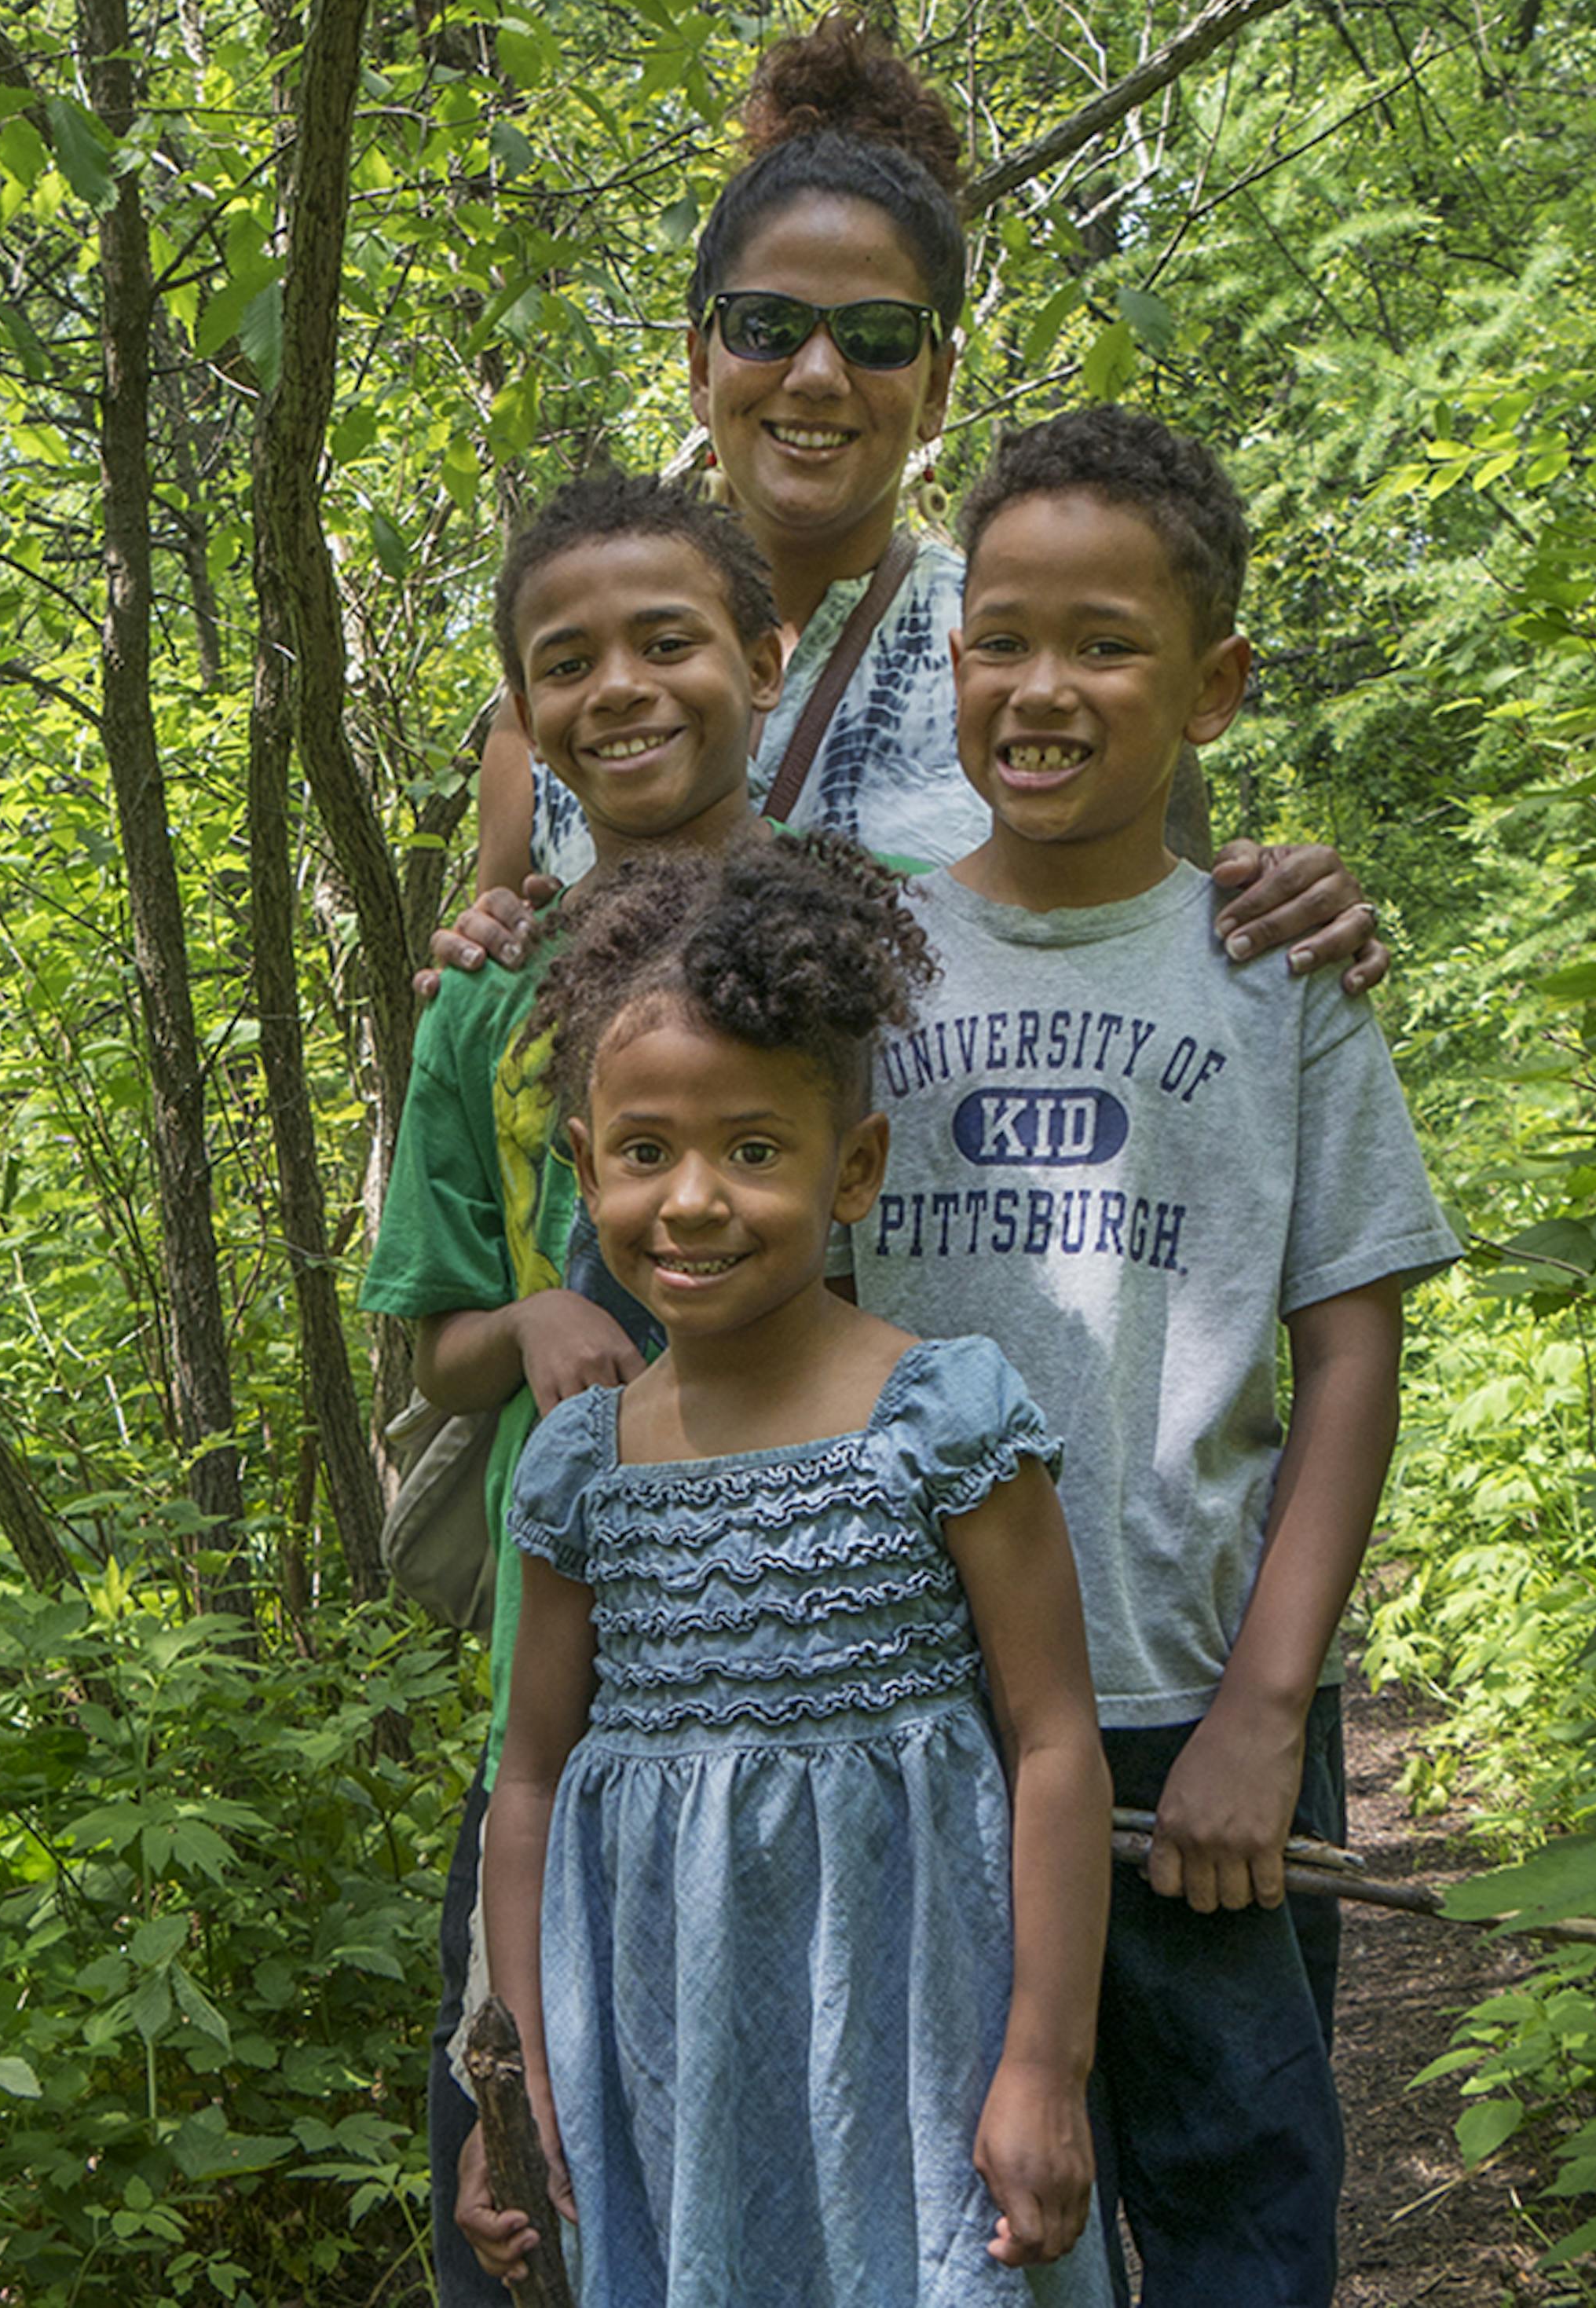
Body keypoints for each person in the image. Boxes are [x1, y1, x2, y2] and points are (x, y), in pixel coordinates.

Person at [836, 406, 1463, 2306]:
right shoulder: (855, 973)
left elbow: (1348, 1348)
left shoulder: (1278, 976)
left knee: (1236, 2210)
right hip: (918, 1708)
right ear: (954, 662)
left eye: (1105, 644)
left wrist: (1265, 1711)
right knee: (956, 2222)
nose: (1044, 687)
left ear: (1213, 687)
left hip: (1193, 1703)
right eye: (1005, 639)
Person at [471, 833, 1115, 2305]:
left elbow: (1054, 1741)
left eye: (754, 1149)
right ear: (585, 1165)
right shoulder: (579, 1468)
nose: (693, 1198)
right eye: (646, 1151)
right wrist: (519, 2082)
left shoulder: (944, 1418)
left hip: (921, 2052)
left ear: (855, 1168)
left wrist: (1044, 2063)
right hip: (663, 2064)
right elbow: (530, 1779)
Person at [429, 16, 1387, 999]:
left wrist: (1289, 912)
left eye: (879, 335)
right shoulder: (557, 700)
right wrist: (481, 945)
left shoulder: (1041, 655)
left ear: (937, 385)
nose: (816, 375)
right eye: (767, 324)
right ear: (700, 362)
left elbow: (1166, 960)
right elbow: (503, 1004)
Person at [361, 470, 796, 2305]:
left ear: (763, 657)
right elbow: (435, 1341)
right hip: (560, 1705)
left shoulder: (860, 943)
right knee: (519, 2196)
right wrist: (531, 1317)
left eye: (665, 640)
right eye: (566, 662)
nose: (619, 687)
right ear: (525, 720)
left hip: (821, 1679)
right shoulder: (483, 997)